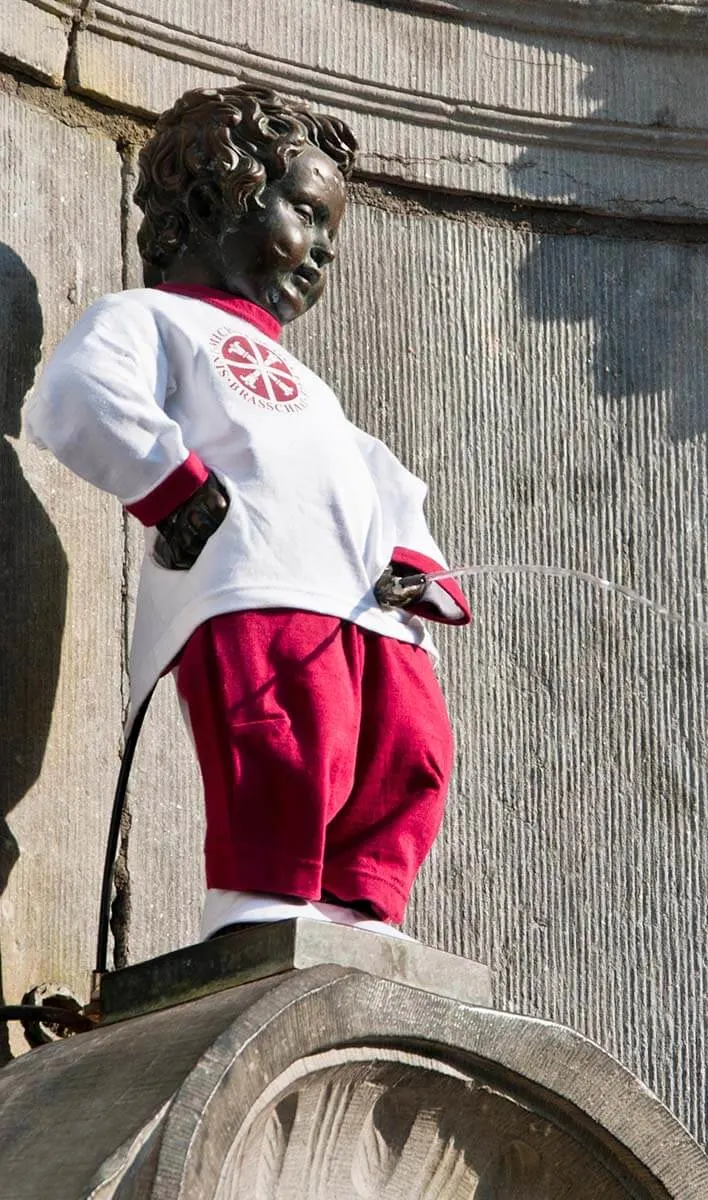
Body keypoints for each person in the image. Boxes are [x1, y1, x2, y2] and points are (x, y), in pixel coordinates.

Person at [23, 86, 470, 942]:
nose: (320, 254)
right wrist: (174, 487)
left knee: (407, 746)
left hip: (363, 602)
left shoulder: (313, 388)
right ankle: (261, 901)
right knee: (283, 734)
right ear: (214, 196)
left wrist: (415, 561)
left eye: (331, 239)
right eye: (307, 214)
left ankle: (361, 902)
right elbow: (79, 393)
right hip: (257, 576)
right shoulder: (150, 318)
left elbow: (379, 475)